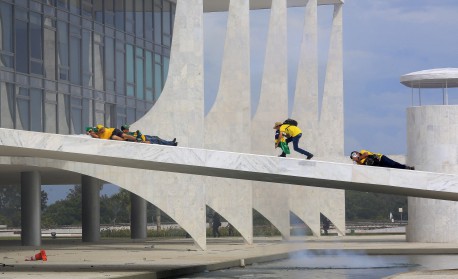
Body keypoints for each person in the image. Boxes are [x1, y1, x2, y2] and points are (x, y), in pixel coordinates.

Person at [350, 150, 415, 170]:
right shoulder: (358, 163)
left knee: (393, 164)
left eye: (356, 155)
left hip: (380, 158)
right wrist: (357, 161)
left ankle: (406, 167)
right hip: (378, 165)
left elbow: (366, 154)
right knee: (391, 168)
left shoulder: (362, 151)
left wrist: (358, 159)